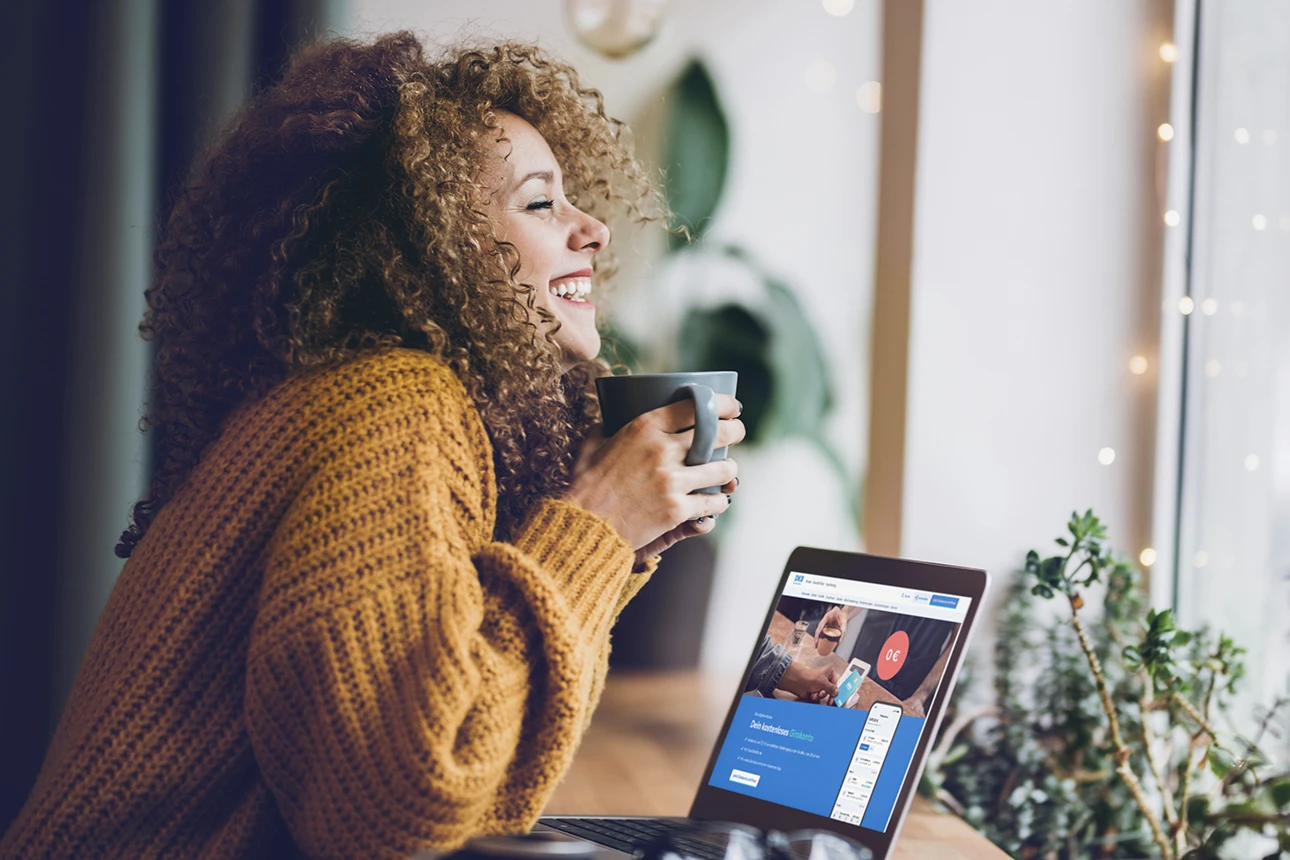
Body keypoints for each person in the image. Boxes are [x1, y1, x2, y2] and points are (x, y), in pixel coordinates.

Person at [0, 34, 744, 860]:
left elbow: (465, 758)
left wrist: (618, 542)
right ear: (435, 243)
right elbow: (403, 811)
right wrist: (596, 525)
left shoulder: (361, 396)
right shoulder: (392, 404)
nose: (594, 230)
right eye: (540, 204)